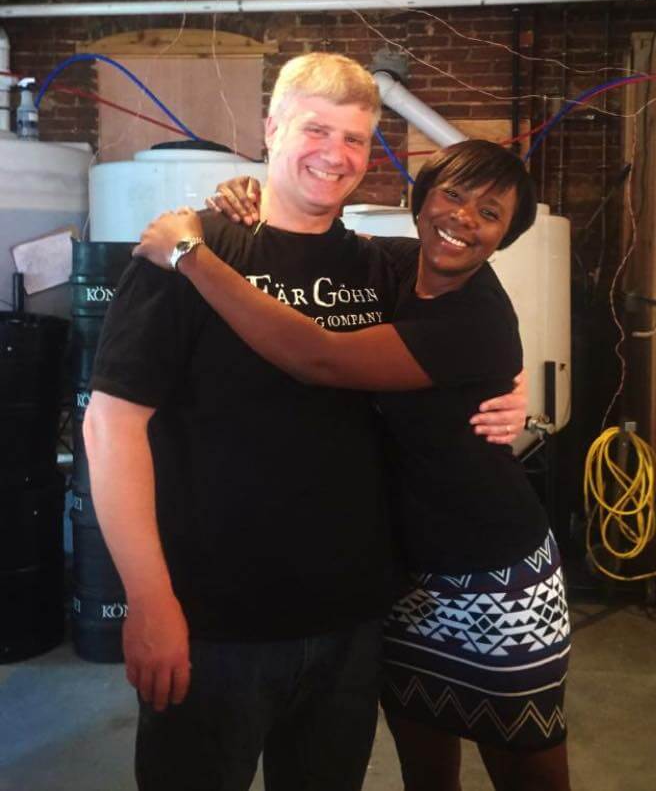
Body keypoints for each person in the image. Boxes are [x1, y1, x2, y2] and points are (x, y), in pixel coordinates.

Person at [83, 53, 527, 791]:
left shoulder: (385, 269)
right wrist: (149, 599)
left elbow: (464, 333)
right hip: (212, 621)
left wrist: (511, 394)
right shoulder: (194, 250)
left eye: (355, 138)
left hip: (351, 621)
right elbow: (111, 427)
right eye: (316, 129)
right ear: (272, 128)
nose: (335, 153)